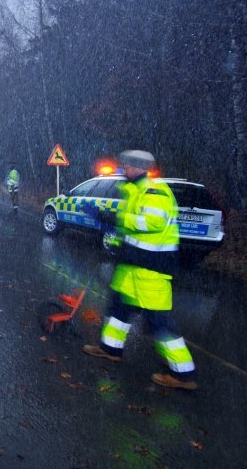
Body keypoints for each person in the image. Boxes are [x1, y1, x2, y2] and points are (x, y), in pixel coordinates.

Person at [82, 150, 197, 390]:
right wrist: (113, 233)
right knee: (117, 309)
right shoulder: (133, 190)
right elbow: (129, 227)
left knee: (159, 323)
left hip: (150, 271)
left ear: (139, 168)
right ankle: (110, 349)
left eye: (127, 165)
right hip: (131, 267)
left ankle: (183, 375)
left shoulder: (155, 192)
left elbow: (151, 222)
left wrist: (114, 219)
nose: (123, 168)